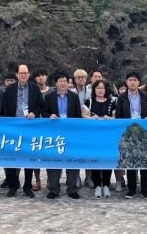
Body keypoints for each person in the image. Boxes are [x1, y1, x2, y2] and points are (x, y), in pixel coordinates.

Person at [1, 63, 44, 198]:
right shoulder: (10, 89)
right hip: (13, 126)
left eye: (25, 73)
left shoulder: (35, 88)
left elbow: (40, 105)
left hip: (29, 126)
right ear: (17, 75)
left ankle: (27, 186)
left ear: (29, 74)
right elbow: (4, 107)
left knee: (28, 156)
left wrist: (34, 113)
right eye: (21, 73)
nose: (23, 75)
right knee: (12, 156)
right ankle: (13, 185)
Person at [115, 71, 147, 200]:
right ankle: (131, 190)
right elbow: (118, 115)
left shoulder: (145, 96)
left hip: (142, 133)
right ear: (126, 82)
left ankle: (145, 190)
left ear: (139, 82)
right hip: (128, 132)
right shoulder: (122, 97)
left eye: (135, 80)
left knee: (144, 160)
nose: (132, 82)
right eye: (130, 80)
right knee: (130, 160)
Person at [43, 71, 82, 199]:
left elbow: (78, 116)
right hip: (54, 134)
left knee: (72, 160)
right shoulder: (49, 97)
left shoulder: (74, 97)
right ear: (56, 83)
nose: (63, 83)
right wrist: (50, 115)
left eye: (65, 81)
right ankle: (54, 189)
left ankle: (72, 189)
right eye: (60, 81)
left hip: (70, 133)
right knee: (54, 160)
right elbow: (44, 112)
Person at [82, 79, 116, 198]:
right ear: (94, 90)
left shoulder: (111, 102)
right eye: (98, 88)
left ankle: (106, 185)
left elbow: (116, 117)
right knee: (95, 159)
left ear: (106, 90)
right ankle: (97, 185)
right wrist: (91, 118)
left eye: (102, 88)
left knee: (107, 160)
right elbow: (83, 115)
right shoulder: (89, 101)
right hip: (93, 136)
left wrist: (110, 118)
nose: (100, 90)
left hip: (108, 137)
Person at [32, 69, 51, 191]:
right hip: (35, 127)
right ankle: (37, 180)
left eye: (43, 75)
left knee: (50, 154)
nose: (41, 78)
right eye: (38, 76)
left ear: (47, 77)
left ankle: (50, 180)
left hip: (49, 128)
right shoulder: (32, 91)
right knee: (35, 154)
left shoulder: (52, 91)